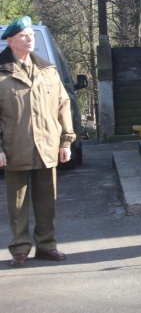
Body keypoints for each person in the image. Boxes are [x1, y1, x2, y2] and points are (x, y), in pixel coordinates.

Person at [0, 16, 75, 267]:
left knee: (47, 201)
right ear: (10, 41)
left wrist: (66, 142)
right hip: (14, 147)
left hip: (47, 146)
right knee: (17, 203)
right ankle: (20, 249)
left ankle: (46, 246)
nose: (30, 38)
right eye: (24, 35)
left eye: (31, 34)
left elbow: (63, 105)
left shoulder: (47, 70)